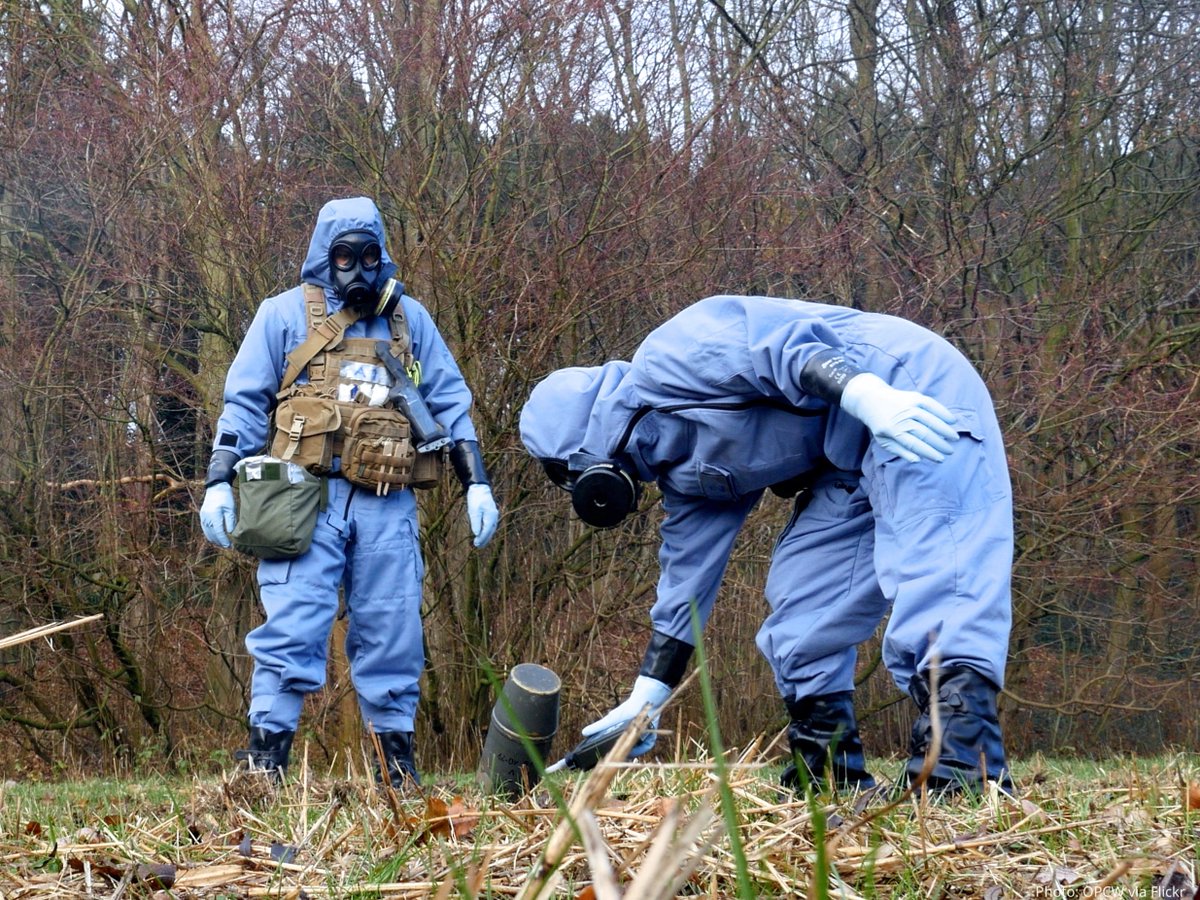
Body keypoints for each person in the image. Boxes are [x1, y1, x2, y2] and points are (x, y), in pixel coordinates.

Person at [519, 294, 1013, 795]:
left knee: (940, 574)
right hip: (845, 459)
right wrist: (648, 696)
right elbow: (685, 584)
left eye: (574, 475)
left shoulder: (672, 354)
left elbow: (781, 345)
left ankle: (962, 774)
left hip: (906, 392)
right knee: (803, 613)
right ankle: (829, 776)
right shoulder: (683, 474)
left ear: (584, 445)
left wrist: (867, 394)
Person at [199, 197, 499, 787]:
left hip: (388, 500)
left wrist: (476, 481)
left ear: (381, 254)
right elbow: (243, 399)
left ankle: (398, 772)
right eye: (343, 256)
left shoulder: (409, 321)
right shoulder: (284, 315)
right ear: (323, 256)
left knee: (393, 631)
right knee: (292, 625)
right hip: (300, 500)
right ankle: (265, 767)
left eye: (367, 256)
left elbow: (450, 401)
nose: (356, 269)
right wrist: (218, 477)